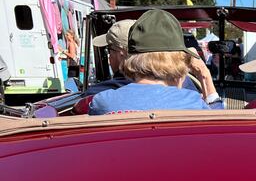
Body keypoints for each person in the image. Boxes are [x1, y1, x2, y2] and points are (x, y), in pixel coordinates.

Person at [89, 9, 222, 115]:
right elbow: (219, 128)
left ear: (130, 57)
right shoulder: (193, 102)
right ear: (178, 61)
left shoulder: (102, 103)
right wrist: (204, 74)